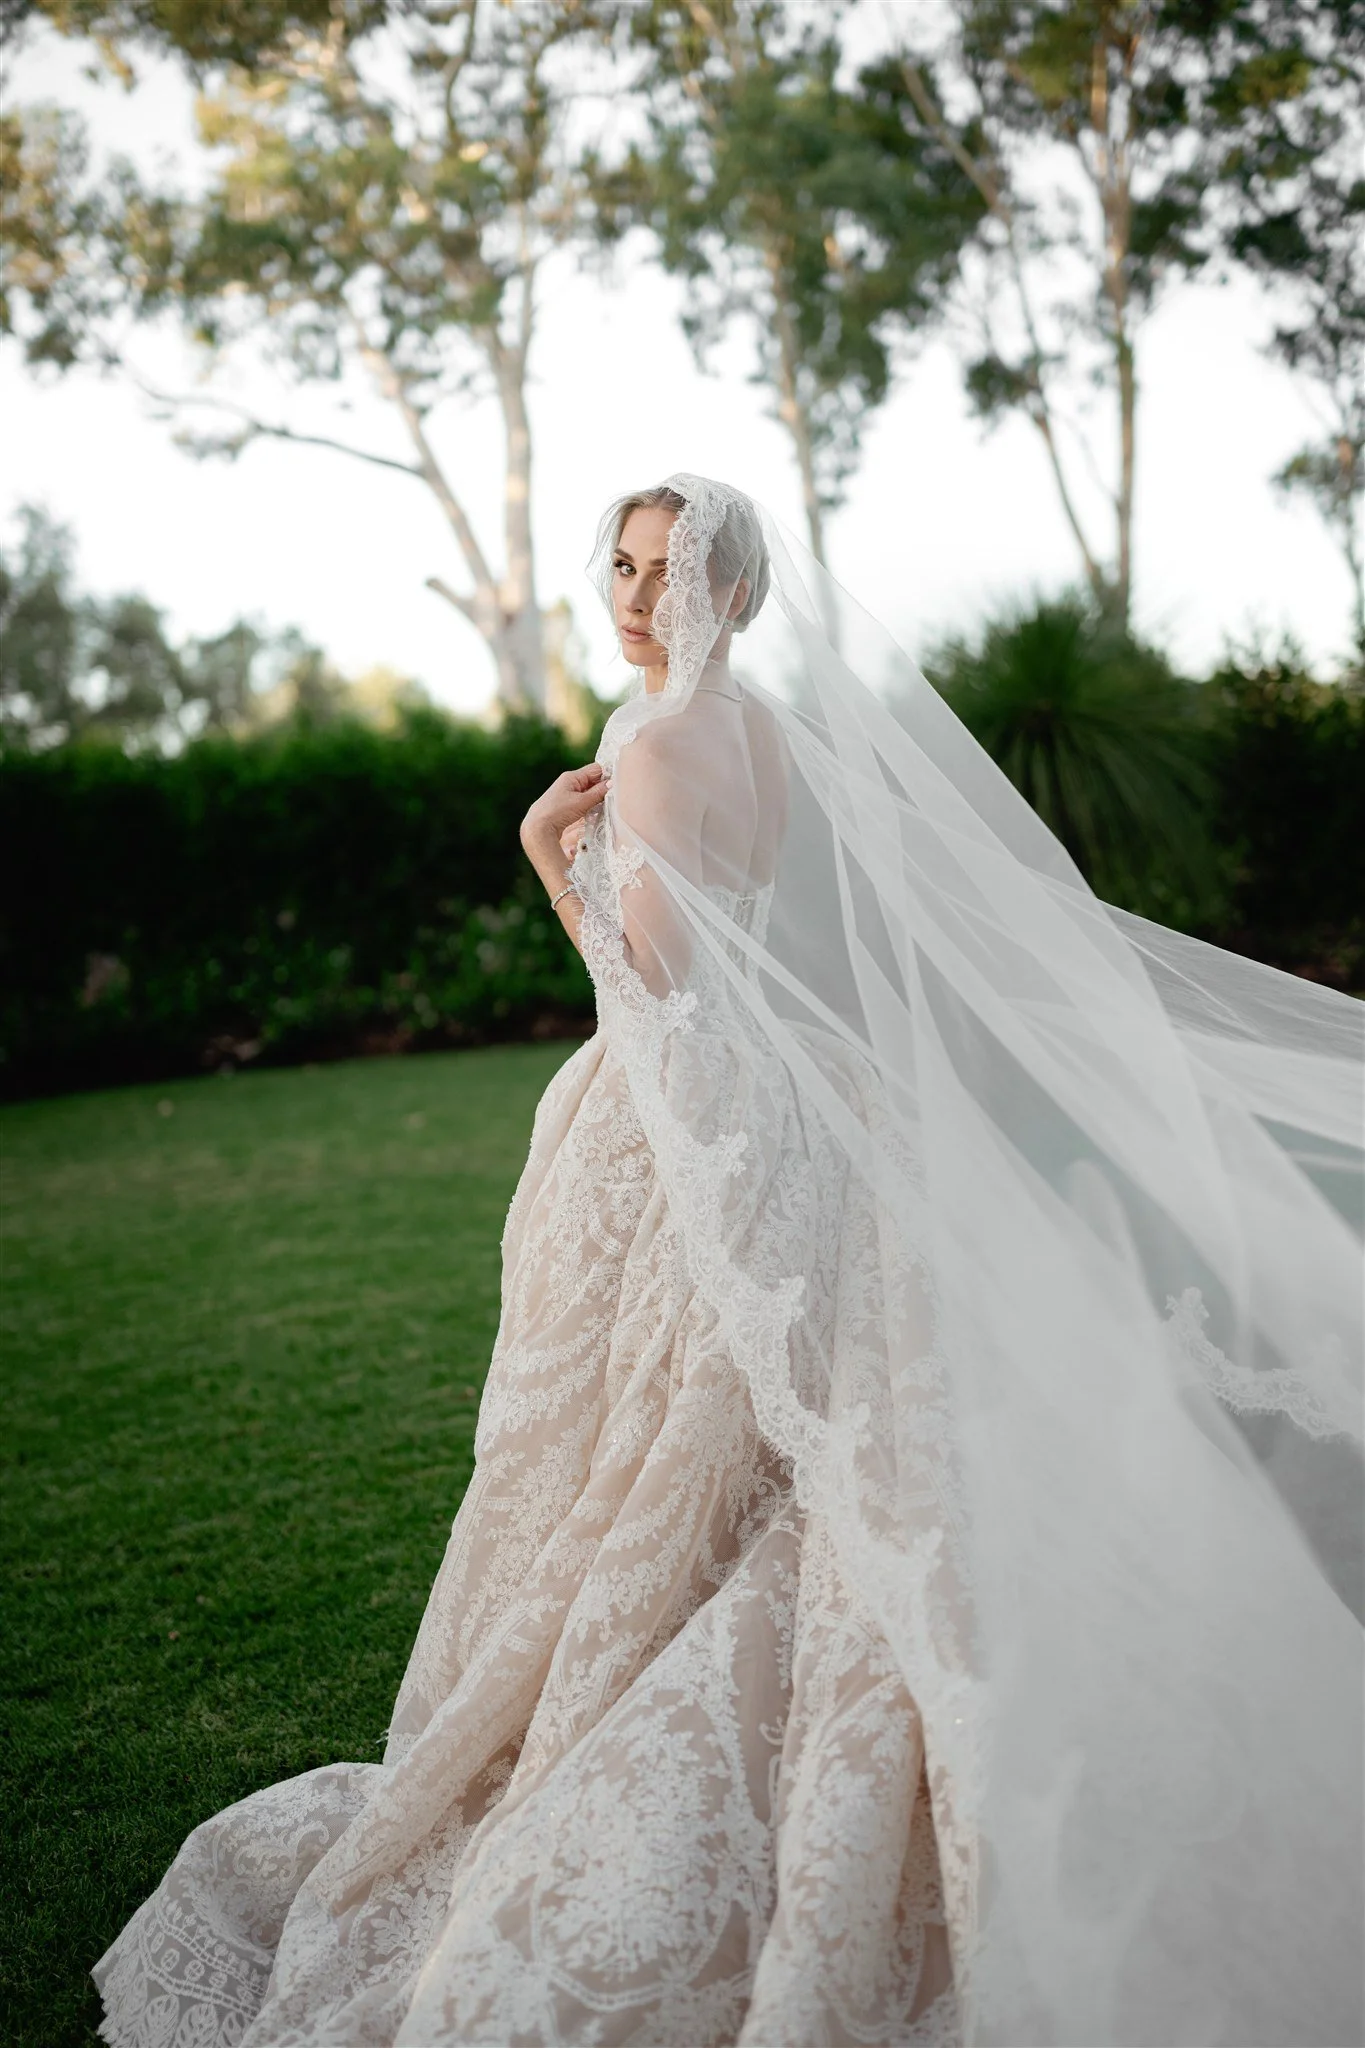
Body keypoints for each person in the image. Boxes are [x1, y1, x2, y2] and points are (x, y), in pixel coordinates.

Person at [94, 476, 1363, 2048]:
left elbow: (666, 986)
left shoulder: (659, 742)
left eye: (669, 572)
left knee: (641, 1455)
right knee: (735, 1455)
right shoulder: (761, 731)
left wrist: (544, 861)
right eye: (619, 568)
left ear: (733, 594)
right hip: (785, 1121)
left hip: (673, 1129)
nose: (635, 599)